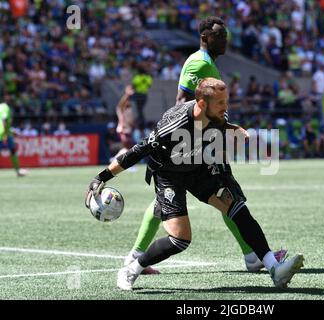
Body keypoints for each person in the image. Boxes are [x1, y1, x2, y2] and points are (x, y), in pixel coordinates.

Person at [84, 78, 304, 290]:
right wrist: (101, 177)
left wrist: (232, 128)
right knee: (180, 239)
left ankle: (274, 269)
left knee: (236, 207)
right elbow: (137, 151)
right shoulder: (173, 125)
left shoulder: (217, 114)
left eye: (226, 102)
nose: (225, 107)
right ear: (201, 103)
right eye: (220, 103)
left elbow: (221, 123)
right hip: (169, 174)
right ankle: (131, 270)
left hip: (198, 166)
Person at [125, 16, 286, 275]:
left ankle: (136, 256)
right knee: (225, 196)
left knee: (179, 200)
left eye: (225, 35)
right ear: (204, 38)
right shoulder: (199, 62)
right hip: (196, 143)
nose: (225, 40)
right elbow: (182, 101)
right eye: (219, 35)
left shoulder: (206, 63)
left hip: (201, 141)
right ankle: (253, 256)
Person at [0, 102, 27, 177]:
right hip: (4, 134)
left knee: (13, 151)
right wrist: (5, 134)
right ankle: (18, 171)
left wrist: (11, 131)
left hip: (6, 133)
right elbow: (4, 120)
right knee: (13, 151)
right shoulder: (5, 107)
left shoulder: (1, 107)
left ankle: (18, 171)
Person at [114, 85, 136, 159]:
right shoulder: (120, 108)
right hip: (123, 129)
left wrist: (133, 124)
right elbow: (120, 105)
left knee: (128, 147)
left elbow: (130, 120)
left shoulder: (129, 109)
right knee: (127, 146)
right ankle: (118, 159)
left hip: (128, 129)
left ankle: (115, 158)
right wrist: (127, 94)